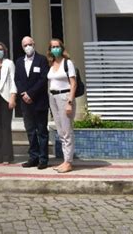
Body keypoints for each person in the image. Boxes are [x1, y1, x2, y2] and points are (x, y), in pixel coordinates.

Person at [14, 36, 50, 169]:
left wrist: (31, 93)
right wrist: (23, 93)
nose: (28, 47)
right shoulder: (19, 62)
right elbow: (17, 79)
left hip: (39, 101)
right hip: (25, 102)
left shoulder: (42, 60)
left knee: (42, 131)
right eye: (25, 45)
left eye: (30, 44)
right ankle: (33, 157)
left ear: (34, 44)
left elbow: (43, 79)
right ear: (22, 47)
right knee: (30, 131)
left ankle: (43, 159)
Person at [47, 38, 77, 174]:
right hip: (53, 97)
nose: (55, 49)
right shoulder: (52, 64)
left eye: (57, 46)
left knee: (66, 131)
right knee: (60, 131)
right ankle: (65, 160)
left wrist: (70, 102)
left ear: (62, 48)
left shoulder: (68, 63)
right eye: (53, 47)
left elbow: (73, 84)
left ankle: (68, 162)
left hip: (65, 97)